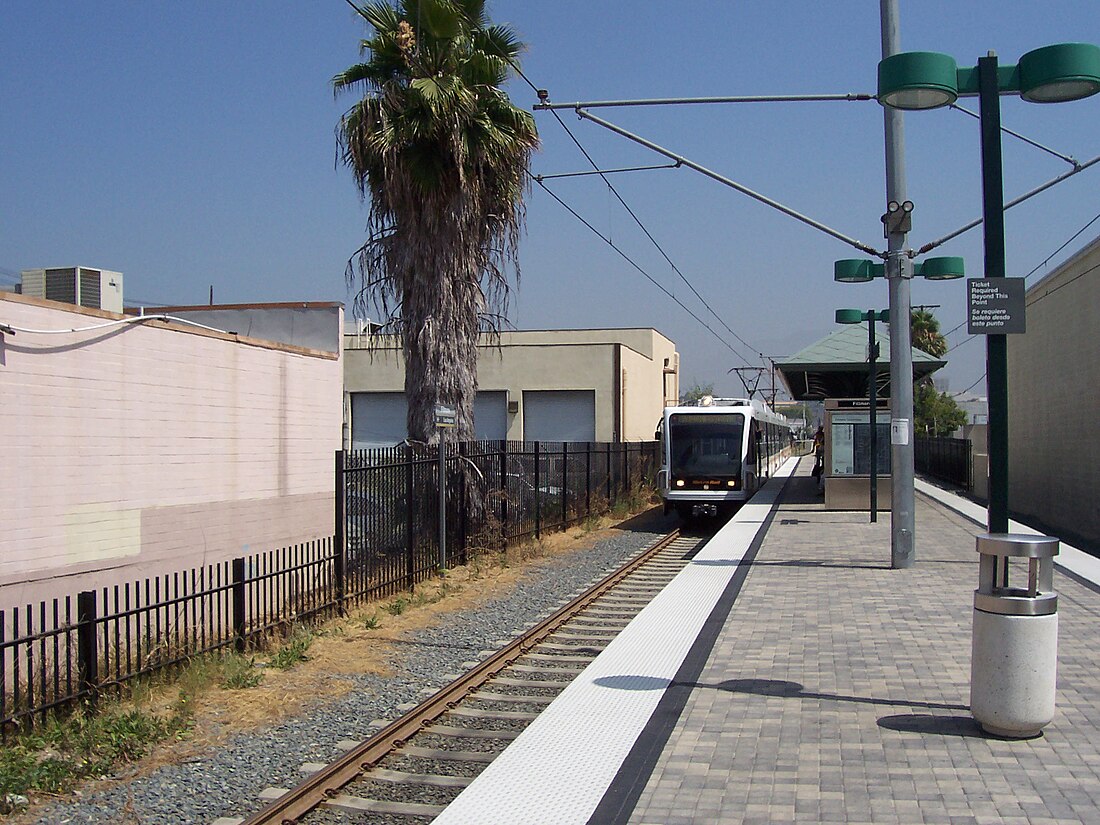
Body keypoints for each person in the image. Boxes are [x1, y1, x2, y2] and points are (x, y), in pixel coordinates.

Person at [811, 425, 825, 490]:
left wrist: (813, 449)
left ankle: (818, 476)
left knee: (818, 463)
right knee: (822, 464)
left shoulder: (818, 434)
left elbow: (815, 442)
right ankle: (819, 475)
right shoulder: (823, 435)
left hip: (819, 450)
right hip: (822, 451)